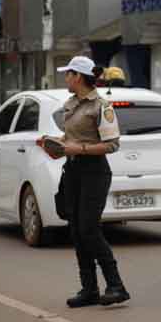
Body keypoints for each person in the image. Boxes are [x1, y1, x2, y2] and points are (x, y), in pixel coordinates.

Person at [53, 56, 130, 308]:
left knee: (89, 228)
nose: (65, 78)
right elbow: (71, 136)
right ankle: (89, 289)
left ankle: (116, 285)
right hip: (73, 170)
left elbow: (112, 145)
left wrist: (79, 148)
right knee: (76, 229)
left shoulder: (102, 106)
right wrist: (56, 143)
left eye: (68, 74)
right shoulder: (71, 103)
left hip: (95, 172)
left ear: (78, 76)